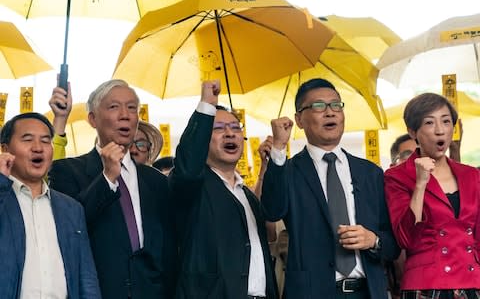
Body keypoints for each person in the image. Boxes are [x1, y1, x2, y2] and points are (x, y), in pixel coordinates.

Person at [261, 78, 399, 298]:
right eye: (318, 106)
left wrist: (373, 240)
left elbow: (392, 243)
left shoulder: (370, 173)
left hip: (367, 291)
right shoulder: (288, 171)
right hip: (312, 292)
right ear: (299, 119)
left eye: (336, 105)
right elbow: (272, 210)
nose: (330, 112)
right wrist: (278, 149)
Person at [48, 79, 177, 299]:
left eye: (132, 108)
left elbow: (168, 247)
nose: (125, 115)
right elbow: (71, 229)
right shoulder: (67, 171)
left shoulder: (156, 181)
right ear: (93, 119)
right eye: (114, 107)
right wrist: (107, 177)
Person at [170, 80, 278, 299]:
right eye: (218, 128)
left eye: (235, 128)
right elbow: (188, 167)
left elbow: (270, 230)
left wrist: (268, 166)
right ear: (203, 141)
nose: (229, 134)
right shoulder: (194, 186)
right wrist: (207, 105)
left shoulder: (246, 194)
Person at [384, 93, 480, 298]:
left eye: (446, 121)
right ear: (413, 132)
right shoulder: (397, 177)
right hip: (426, 287)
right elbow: (405, 238)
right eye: (429, 122)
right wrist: (420, 184)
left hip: (472, 282)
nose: (440, 130)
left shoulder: (472, 175)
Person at [0, 112, 101, 299]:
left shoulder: (71, 209)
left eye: (46, 141)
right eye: (27, 139)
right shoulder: (3, 198)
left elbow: (86, 276)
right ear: (6, 149)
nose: (38, 148)